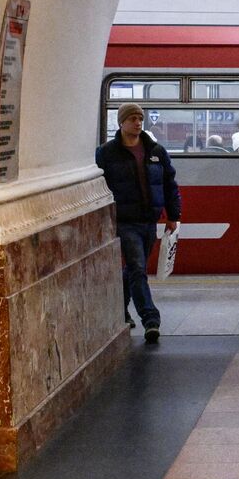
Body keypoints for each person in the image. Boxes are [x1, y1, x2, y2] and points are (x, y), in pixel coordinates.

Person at [96, 101, 181, 344]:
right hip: (124, 220)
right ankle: (150, 319)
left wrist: (173, 215)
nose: (137, 122)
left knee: (133, 269)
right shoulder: (106, 153)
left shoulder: (155, 151)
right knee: (137, 268)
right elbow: (100, 186)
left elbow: (169, 184)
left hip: (148, 220)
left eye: (140, 118)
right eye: (132, 118)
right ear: (121, 122)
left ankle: (119, 311)